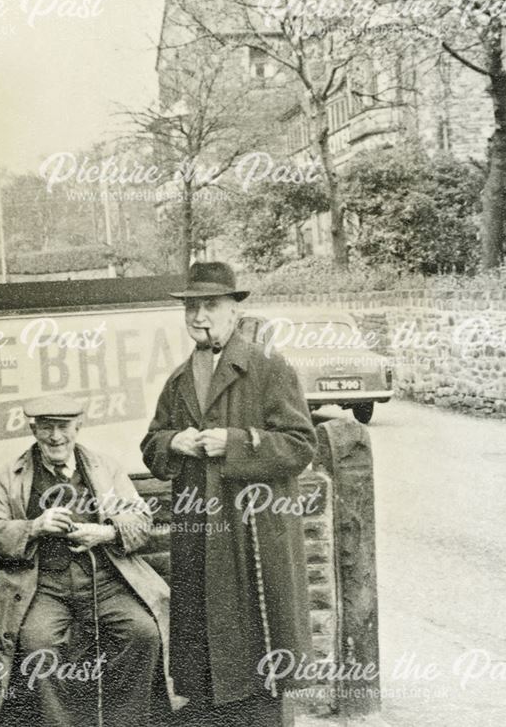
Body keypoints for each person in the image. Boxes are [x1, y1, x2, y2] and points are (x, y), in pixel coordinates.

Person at [140, 261, 317, 727]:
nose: (199, 317)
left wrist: (234, 443)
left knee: (259, 653)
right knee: (204, 650)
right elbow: (152, 443)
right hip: (200, 530)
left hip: (254, 533)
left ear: (235, 311)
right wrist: (172, 443)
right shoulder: (179, 378)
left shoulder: (268, 366)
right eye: (192, 308)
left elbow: (301, 445)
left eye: (210, 306)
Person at [0, 395, 174, 727]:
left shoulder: (104, 468)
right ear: (34, 429)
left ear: (78, 427)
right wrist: (33, 527)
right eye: (46, 428)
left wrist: (106, 532)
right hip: (42, 587)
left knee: (143, 633)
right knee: (37, 644)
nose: (56, 437)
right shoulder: (8, 477)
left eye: (63, 427)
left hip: (107, 582)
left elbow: (141, 521)